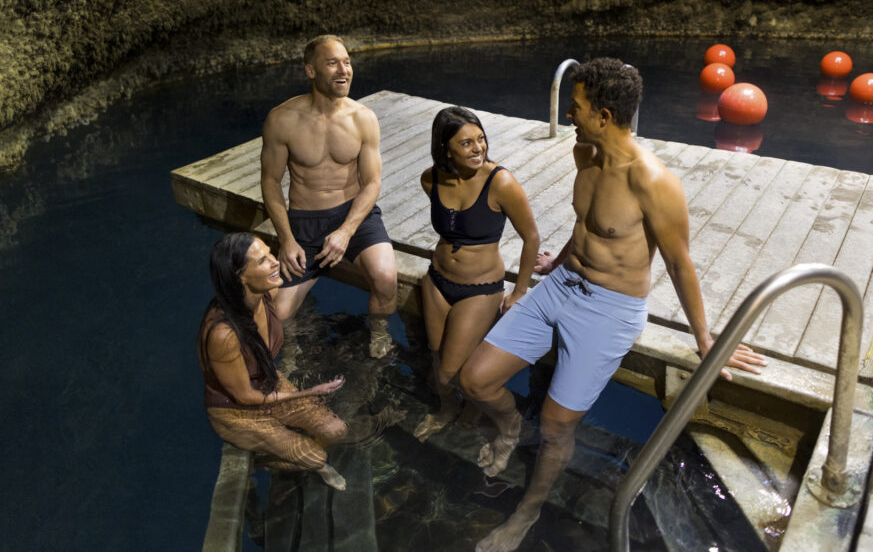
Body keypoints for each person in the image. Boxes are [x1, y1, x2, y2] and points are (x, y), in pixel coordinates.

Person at [461, 58, 768, 551]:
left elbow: (680, 264)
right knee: (475, 380)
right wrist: (556, 261)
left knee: (559, 424)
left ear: (603, 115)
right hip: (561, 285)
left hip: (609, 307)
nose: (569, 116)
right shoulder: (585, 153)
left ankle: (526, 511)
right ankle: (510, 426)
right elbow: (587, 223)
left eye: (576, 107)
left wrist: (708, 341)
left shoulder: (653, 181)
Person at [260, 34, 398, 358]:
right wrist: (288, 239)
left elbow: (373, 182)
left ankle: (378, 333)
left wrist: (346, 231)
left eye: (347, 62)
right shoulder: (282, 120)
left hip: (354, 216)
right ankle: (293, 352)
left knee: (386, 277)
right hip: (304, 223)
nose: (344, 70)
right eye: (333, 63)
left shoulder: (362, 118)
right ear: (311, 70)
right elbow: (270, 182)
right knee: (277, 315)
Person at [413, 107, 540, 442]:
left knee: (451, 371)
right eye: (466, 143)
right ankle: (449, 410)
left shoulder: (501, 182)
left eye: (480, 139)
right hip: (437, 281)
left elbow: (531, 237)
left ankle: (502, 419)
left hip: (479, 289)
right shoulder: (432, 178)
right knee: (439, 364)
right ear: (446, 149)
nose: (478, 148)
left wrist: (519, 291)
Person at [198, 232, 349, 490]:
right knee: (317, 457)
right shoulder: (224, 334)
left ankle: (282, 455)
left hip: (268, 385)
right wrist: (308, 393)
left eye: (270, 253)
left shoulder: (265, 293)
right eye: (263, 261)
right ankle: (263, 463)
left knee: (337, 431)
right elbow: (245, 398)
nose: (274, 261)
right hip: (237, 410)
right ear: (240, 277)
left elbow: (304, 273)